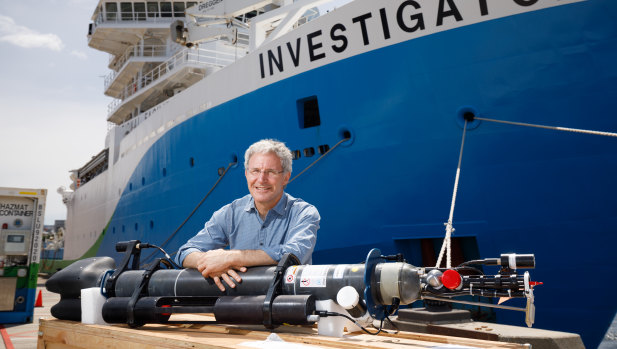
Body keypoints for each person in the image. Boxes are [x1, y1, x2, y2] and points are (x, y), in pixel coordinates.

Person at [175, 139, 320, 291]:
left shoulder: (304, 213)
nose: (261, 179)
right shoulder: (230, 213)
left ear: (286, 177)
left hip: (289, 306)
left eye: (270, 172)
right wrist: (211, 262)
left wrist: (231, 257)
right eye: (255, 171)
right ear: (246, 174)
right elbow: (184, 252)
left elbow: (293, 254)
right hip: (240, 306)